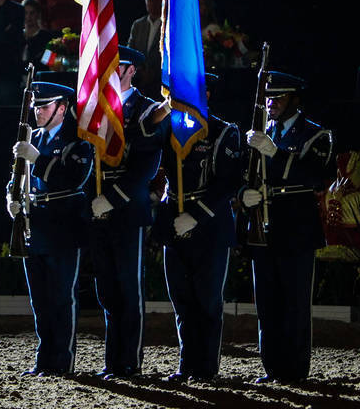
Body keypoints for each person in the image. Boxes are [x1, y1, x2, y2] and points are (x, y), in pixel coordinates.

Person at [146, 73, 242, 382]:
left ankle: (206, 368)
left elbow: (228, 183)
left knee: (207, 301)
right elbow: (143, 131)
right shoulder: (170, 128)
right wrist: (161, 109)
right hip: (174, 221)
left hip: (209, 227)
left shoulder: (223, 132)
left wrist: (197, 215)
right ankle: (186, 365)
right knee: (182, 300)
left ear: (207, 96)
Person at [241, 71, 334, 383]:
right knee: (267, 305)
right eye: (269, 97)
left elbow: (313, 175)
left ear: (295, 98)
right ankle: (272, 368)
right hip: (263, 230)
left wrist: (275, 153)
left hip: (296, 230)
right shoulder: (263, 132)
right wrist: (245, 194)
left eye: (278, 97)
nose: (272, 103)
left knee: (294, 304)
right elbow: (245, 175)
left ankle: (294, 370)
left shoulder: (315, 135)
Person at [8, 82, 93, 376]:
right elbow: (16, 178)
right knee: (41, 300)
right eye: (35, 107)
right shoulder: (34, 140)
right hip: (36, 226)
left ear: (62, 107)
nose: (37, 112)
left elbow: (72, 179)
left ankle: (62, 360)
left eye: (43, 107)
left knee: (60, 296)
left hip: (64, 226)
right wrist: (12, 199)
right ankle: (43, 359)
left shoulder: (77, 141)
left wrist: (36, 158)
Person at [88, 45, 163, 380]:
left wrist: (113, 199)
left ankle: (128, 361)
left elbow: (146, 165)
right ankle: (111, 361)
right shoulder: (94, 109)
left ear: (132, 71)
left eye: (118, 68)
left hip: (127, 210)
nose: (110, 74)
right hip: (97, 209)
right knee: (106, 290)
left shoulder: (146, 110)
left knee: (127, 289)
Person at [126, 0, 163, 98]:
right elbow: (130, 50)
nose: (153, 4)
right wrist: (140, 70)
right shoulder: (138, 25)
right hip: (140, 81)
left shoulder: (170, 26)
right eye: (151, 0)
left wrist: (154, 73)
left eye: (157, 0)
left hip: (160, 82)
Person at [21, 0, 55, 72]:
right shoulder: (17, 36)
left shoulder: (48, 38)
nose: (28, 17)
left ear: (38, 15)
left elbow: (49, 62)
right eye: (25, 13)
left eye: (32, 13)